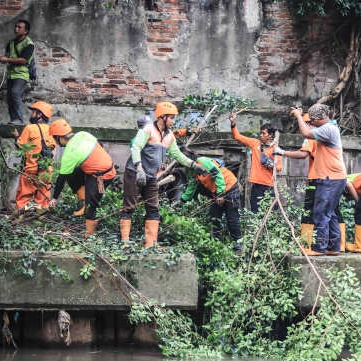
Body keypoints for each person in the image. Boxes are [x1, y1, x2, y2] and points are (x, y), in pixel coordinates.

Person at [120, 102, 207, 248]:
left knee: (153, 208)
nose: (173, 121)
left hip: (151, 176)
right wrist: (139, 168)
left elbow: (177, 155)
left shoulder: (169, 136)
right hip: (135, 172)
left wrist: (194, 165)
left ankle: (151, 243)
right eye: (172, 118)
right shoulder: (148, 129)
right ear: (162, 117)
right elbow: (136, 147)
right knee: (130, 206)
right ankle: (125, 242)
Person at [273, 113, 346, 251]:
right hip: (333, 178)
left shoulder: (316, 135)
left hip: (324, 179)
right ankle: (333, 247)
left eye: (308, 123)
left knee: (319, 213)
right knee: (330, 213)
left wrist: (282, 152)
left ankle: (318, 247)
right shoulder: (328, 132)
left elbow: (303, 153)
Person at [48, 119, 116, 237]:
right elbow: (100, 144)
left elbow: (60, 179)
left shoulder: (69, 154)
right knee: (72, 174)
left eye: (54, 138)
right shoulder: (82, 134)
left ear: (59, 137)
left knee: (92, 204)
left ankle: (90, 233)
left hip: (102, 176)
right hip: (107, 167)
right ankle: (85, 203)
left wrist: (54, 198)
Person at [179, 150, 243, 250]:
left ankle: (237, 242)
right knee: (214, 216)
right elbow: (192, 184)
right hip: (217, 192)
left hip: (229, 187)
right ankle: (216, 241)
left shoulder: (203, 162)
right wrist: (182, 200)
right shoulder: (191, 169)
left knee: (231, 216)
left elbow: (218, 175)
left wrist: (221, 194)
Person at [229, 113, 282, 213]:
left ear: (270, 135)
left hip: (270, 185)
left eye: (264, 133)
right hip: (256, 184)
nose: (261, 135)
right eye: (260, 133)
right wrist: (233, 123)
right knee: (255, 212)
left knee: (271, 214)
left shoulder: (275, 149)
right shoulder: (255, 143)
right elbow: (237, 137)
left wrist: (272, 166)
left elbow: (279, 168)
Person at [11, 101, 56, 211]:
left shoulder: (30, 128)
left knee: (23, 198)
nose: (32, 115)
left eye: (34, 112)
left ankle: (18, 219)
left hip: (31, 171)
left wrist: (16, 137)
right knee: (43, 201)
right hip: (46, 171)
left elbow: (21, 147)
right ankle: (41, 222)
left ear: (39, 114)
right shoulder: (52, 130)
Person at [0, 20, 34, 125]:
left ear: (26, 31)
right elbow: (7, 55)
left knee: (15, 92)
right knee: (10, 96)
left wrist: (7, 60)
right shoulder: (11, 42)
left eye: (19, 27)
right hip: (11, 73)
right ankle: (13, 120)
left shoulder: (29, 44)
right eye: (16, 27)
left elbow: (24, 60)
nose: (16, 29)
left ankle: (19, 119)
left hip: (22, 73)